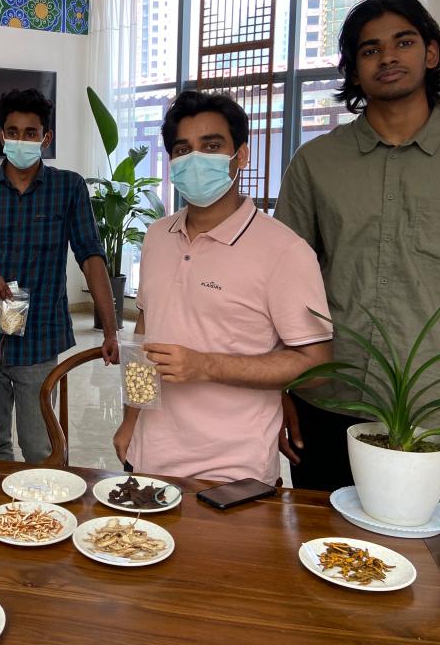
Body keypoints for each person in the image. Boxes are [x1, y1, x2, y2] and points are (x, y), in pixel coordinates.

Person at [275, 0, 440, 539]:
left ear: (431, 53)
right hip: (327, 403)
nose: (387, 56)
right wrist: (280, 392)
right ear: (353, 70)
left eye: (403, 42)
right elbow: (283, 291)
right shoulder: (316, 164)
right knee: (321, 550)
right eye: (370, 49)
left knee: (433, 566)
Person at [113, 91, 333, 485]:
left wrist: (206, 365)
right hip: (150, 454)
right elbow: (144, 338)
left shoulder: (284, 251)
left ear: (241, 155)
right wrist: (131, 421)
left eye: (212, 146)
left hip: (234, 469)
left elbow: (317, 365)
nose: (195, 159)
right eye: (183, 150)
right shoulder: (157, 236)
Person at [0, 88, 119, 463]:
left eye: (30, 133)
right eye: (13, 132)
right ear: (1, 136)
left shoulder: (68, 188)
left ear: (46, 138)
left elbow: (91, 257)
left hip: (38, 338)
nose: (21, 140)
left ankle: (38, 501)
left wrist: (110, 329)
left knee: (38, 447)